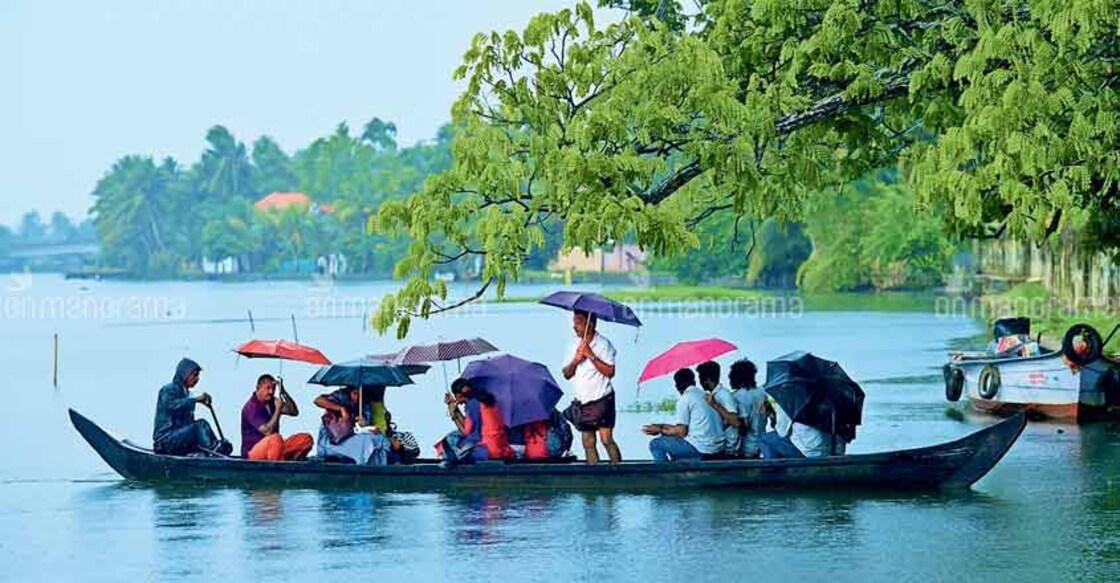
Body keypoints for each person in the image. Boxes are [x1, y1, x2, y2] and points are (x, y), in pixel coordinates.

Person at [561, 310, 622, 464]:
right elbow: (567, 374)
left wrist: (591, 355)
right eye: (574, 323)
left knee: (606, 439)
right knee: (587, 442)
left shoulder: (604, 344)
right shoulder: (574, 344)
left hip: (602, 398)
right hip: (583, 400)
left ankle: (619, 471)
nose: (575, 327)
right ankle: (594, 474)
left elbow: (610, 372)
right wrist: (576, 360)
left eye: (579, 323)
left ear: (591, 325)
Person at [642, 368, 725, 462]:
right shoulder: (705, 395)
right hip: (717, 449)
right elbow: (685, 427)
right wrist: (661, 426)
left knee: (656, 444)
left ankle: (663, 474)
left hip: (701, 449)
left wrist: (660, 430)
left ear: (677, 385)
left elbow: (681, 432)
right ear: (693, 381)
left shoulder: (686, 398)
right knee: (668, 439)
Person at [153, 358, 231, 456]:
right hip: (165, 442)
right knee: (200, 425)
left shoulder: (187, 394)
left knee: (203, 428)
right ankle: (214, 452)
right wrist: (196, 400)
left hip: (179, 440)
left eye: (198, 376)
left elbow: (189, 427)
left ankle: (216, 448)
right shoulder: (169, 389)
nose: (197, 379)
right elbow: (171, 405)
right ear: (185, 374)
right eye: (195, 375)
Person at [313, 386, 393, 465]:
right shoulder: (341, 395)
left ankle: (378, 469)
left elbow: (362, 428)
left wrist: (364, 425)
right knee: (367, 443)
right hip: (332, 441)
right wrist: (341, 408)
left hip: (351, 437)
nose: (357, 397)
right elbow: (318, 400)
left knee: (380, 439)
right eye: (355, 393)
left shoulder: (364, 404)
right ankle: (362, 469)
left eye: (360, 395)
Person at [240, 374, 313, 461]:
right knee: (275, 438)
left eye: (273, 389)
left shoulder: (272, 401)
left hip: (275, 449)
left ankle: (289, 462)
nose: (271, 392)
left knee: (305, 439)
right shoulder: (251, 406)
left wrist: (283, 392)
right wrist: (278, 409)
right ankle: (277, 469)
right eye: (268, 388)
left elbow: (293, 411)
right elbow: (268, 431)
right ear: (258, 388)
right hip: (253, 452)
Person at [441, 378, 514, 461]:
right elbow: (468, 426)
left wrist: (453, 412)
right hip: (502, 448)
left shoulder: (473, 404)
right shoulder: (482, 401)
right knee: (456, 436)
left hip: (488, 450)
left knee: (451, 439)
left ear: (458, 395)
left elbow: (468, 433)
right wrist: (454, 410)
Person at [726, 359, 770, 458]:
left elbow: (744, 426)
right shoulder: (762, 393)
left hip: (745, 448)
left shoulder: (738, 396)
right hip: (761, 445)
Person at [697, 360, 741, 457]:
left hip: (728, 449)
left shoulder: (724, 395)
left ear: (707, 380)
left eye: (700, 378)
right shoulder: (713, 395)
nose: (699, 382)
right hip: (720, 446)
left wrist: (715, 405)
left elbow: (736, 421)